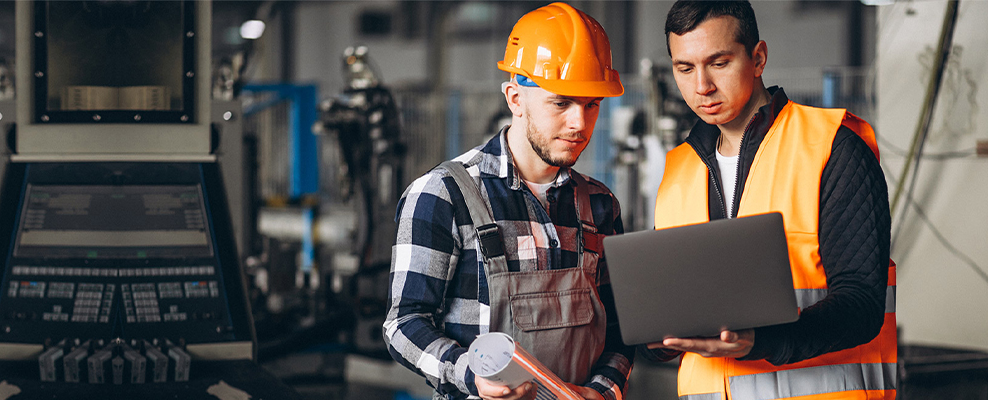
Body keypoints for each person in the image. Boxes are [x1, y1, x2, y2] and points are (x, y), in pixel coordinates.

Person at [643, 1, 897, 399]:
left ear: (758, 58)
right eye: (685, 68)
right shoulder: (678, 171)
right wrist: (654, 336)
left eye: (719, 63)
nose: (702, 86)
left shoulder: (832, 149)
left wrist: (760, 340)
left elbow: (862, 304)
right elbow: (671, 306)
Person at [383, 3, 634, 400]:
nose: (580, 124)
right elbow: (404, 324)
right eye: (561, 103)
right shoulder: (444, 195)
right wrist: (470, 374)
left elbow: (620, 330)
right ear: (515, 98)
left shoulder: (601, 206)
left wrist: (603, 391)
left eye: (592, 105)